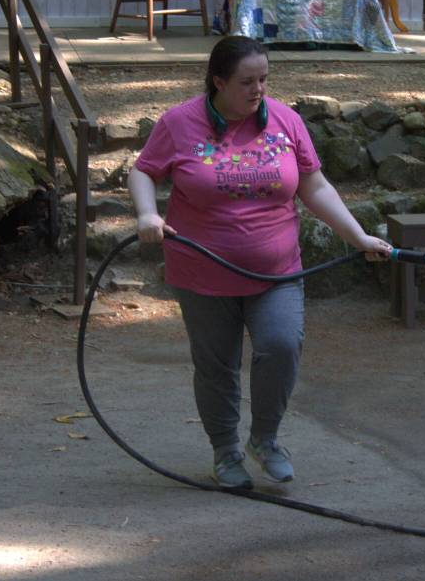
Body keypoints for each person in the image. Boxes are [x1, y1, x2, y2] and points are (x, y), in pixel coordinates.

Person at [128, 35, 390, 489]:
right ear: (217, 82)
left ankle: (264, 440)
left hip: (277, 270)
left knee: (282, 346)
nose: (258, 89)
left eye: (264, 79)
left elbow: (315, 186)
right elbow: (143, 170)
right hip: (202, 273)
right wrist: (147, 213)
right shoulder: (179, 123)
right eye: (246, 81)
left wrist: (357, 235)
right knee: (217, 365)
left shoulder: (285, 121)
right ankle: (226, 450)